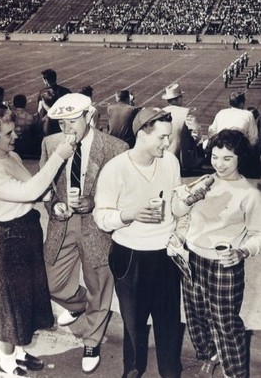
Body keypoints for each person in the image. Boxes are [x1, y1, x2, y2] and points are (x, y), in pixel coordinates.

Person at [0, 108, 74, 377]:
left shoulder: (11, 156)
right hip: (6, 241)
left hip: (26, 231)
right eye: (8, 133)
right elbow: (30, 190)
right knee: (11, 302)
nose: (15, 136)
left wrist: (53, 202)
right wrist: (58, 157)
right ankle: (5, 360)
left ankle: (18, 352)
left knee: (26, 298)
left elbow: (33, 189)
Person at [93, 107, 192, 378]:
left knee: (168, 322)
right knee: (133, 322)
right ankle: (133, 369)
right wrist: (130, 214)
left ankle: (171, 371)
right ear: (141, 133)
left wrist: (188, 200)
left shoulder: (170, 162)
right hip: (130, 255)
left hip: (165, 254)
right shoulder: (115, 169)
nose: (167, 143)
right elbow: (101, 217)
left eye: (169, 137)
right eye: (161, 137)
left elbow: (176, 207)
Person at [40, 93, 128, 374]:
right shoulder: (50, 143)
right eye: (62, 124)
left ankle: (92, 339)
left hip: (96, 226)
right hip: (62, 225)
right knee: (52, 283)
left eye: (71, 122)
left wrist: (96, 202)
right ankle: (83, 307)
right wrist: (55, 205)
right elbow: (45, 188)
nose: (66, 130)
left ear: (89, 117)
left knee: (99, 284)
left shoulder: (116, 147)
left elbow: (124, 194)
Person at [168, 129, 261, 378]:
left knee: (226, 324)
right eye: (215, 157)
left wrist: (242, 252)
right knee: (195, 317)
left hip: (224, 265)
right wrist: (187, 200)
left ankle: (235, 373)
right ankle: (210, 355)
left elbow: (258, 234)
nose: (219, 164)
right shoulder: (205, 182)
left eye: (227, 158)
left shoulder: (250, 194)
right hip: (191, 258)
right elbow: (176, 211)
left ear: (240, 158)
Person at [162, 83, 203, 171]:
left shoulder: (161, 111)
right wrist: (192, 143)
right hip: (181, 158)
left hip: (163, 156)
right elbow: (197, 132)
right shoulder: (186, 112)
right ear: (179, 98)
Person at [12, 94, 39, 158]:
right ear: (25, 104)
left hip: (13, 143)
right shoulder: (30, 117)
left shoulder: (10, 115)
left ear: (14, 104)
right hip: (26, 142)